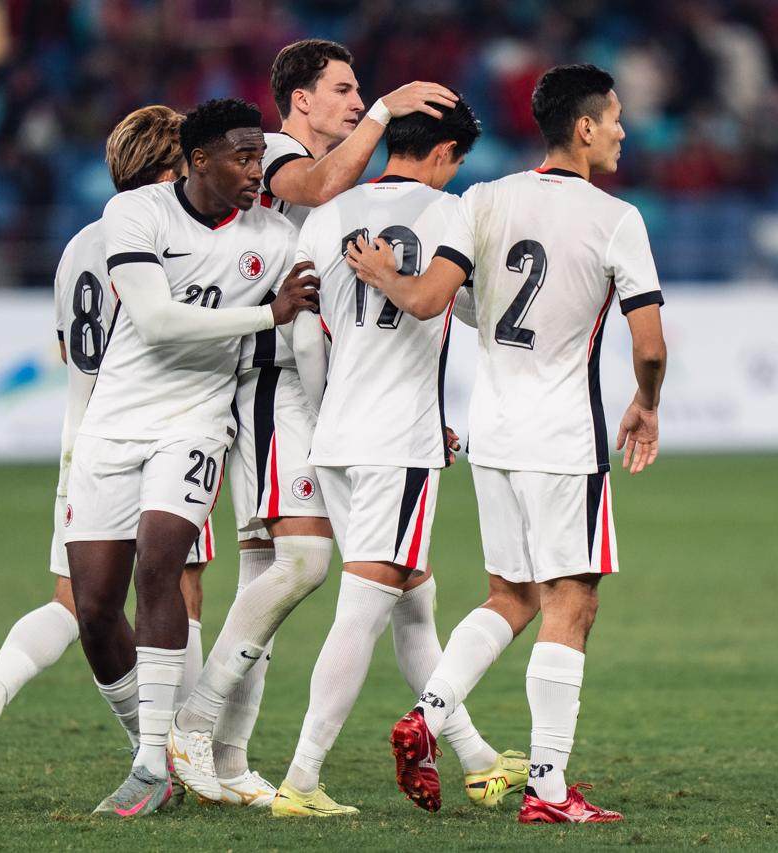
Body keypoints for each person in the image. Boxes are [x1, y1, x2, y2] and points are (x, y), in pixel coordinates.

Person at [346, 63, 667, 825]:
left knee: (512, 594)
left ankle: (429, 713)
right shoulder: (617, 219)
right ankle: (549, 789)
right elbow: (649, 345)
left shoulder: (481, 199)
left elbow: (433, 302)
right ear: (584, 128)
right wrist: (646, 404)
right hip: (561, 435)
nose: (622, 130)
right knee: (574, 600)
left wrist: (387, 273)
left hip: (491, 430)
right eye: (615, 117)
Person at [168, 38, 458, 804]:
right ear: (300, 100)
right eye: (344, 89)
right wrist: (395, 109)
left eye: (363, 92)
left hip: (303, 380)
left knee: (283, 573)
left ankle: (227, 760)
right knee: (303, 566)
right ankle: (193, 726)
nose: (358, 102)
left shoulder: (322, 173)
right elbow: (326, 181)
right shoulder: (272, 151)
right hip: (274, 382)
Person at [0, 105, 219, 796]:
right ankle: (180, 749)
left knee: (77, 602)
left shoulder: (76, 246)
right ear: (168, 169)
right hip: (157, 436)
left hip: (83, 443)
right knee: (178, 589)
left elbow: (71, 348)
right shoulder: (170, 239)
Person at [267, 97, 530, 818]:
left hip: (340, 436)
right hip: (395, 441)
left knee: (414, 603)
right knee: (364, 608)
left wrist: (328, 418)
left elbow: (306, 337)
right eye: (458, 160)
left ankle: (477, 759)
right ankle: (302, 775)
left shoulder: (327, 215)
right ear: (444, 152)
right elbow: (436, 306)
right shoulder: (449, 215)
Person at [64, 98, 317, 818]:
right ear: (198, 159)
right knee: (93, 609)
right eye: (242, 156)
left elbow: (303, 326)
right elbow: (156, 321)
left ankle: (151, 762)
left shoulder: (272, 235)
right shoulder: (138, 214)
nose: (256, 171)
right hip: (115, 422)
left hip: (195, 422)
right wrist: (267, 313)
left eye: (260, 157)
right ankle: (152, 746)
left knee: (160, 564)